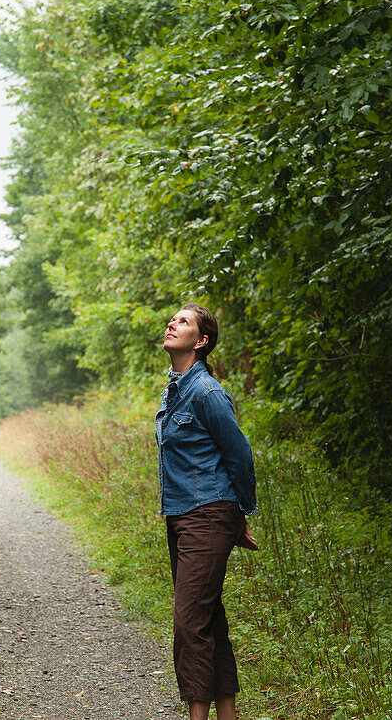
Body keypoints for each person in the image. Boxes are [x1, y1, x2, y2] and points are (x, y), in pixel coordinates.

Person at [156, 303, 258, 720]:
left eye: (183, 322)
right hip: (183, 517)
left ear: (200, 341)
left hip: (207, 516)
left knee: (188, 624)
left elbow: (240, 454)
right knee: (208, 619)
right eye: (172, 319)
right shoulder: (175, 389)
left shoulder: (207, 393)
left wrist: (240, 513)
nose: (171, 324)